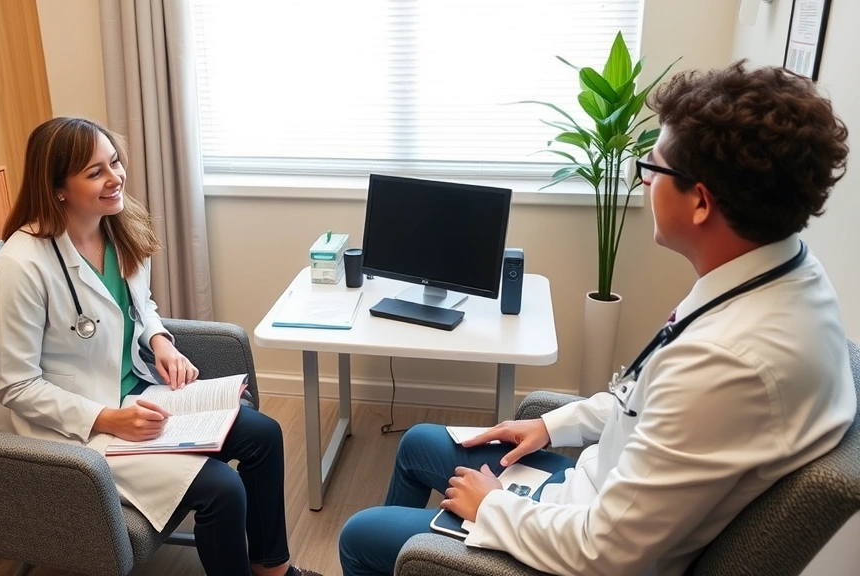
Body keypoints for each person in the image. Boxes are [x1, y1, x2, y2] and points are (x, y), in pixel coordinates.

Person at [339, 61, 857, 576]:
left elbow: (608, 554)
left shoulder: (730, 363)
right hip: (597, 489)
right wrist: (549, 424)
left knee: (360, 534)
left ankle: (433, 563)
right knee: (418, 443)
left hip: (581, 540)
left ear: (700, 202)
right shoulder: (782, 272)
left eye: (652, 168)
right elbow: (648, 402)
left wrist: (492, 506)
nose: (645, 180)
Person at [0, 117, 321, 576]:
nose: (115, 178)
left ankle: (273, 572)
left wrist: (160, 341)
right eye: (94, 172)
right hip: (81, 429)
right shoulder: (20, 266)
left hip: (140, 397)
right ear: (57, 188)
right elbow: (16, 387)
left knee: (264, 435)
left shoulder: (117, 228)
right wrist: (109, 418)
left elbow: (141, 308)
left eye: (115, 162)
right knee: (223, 491)